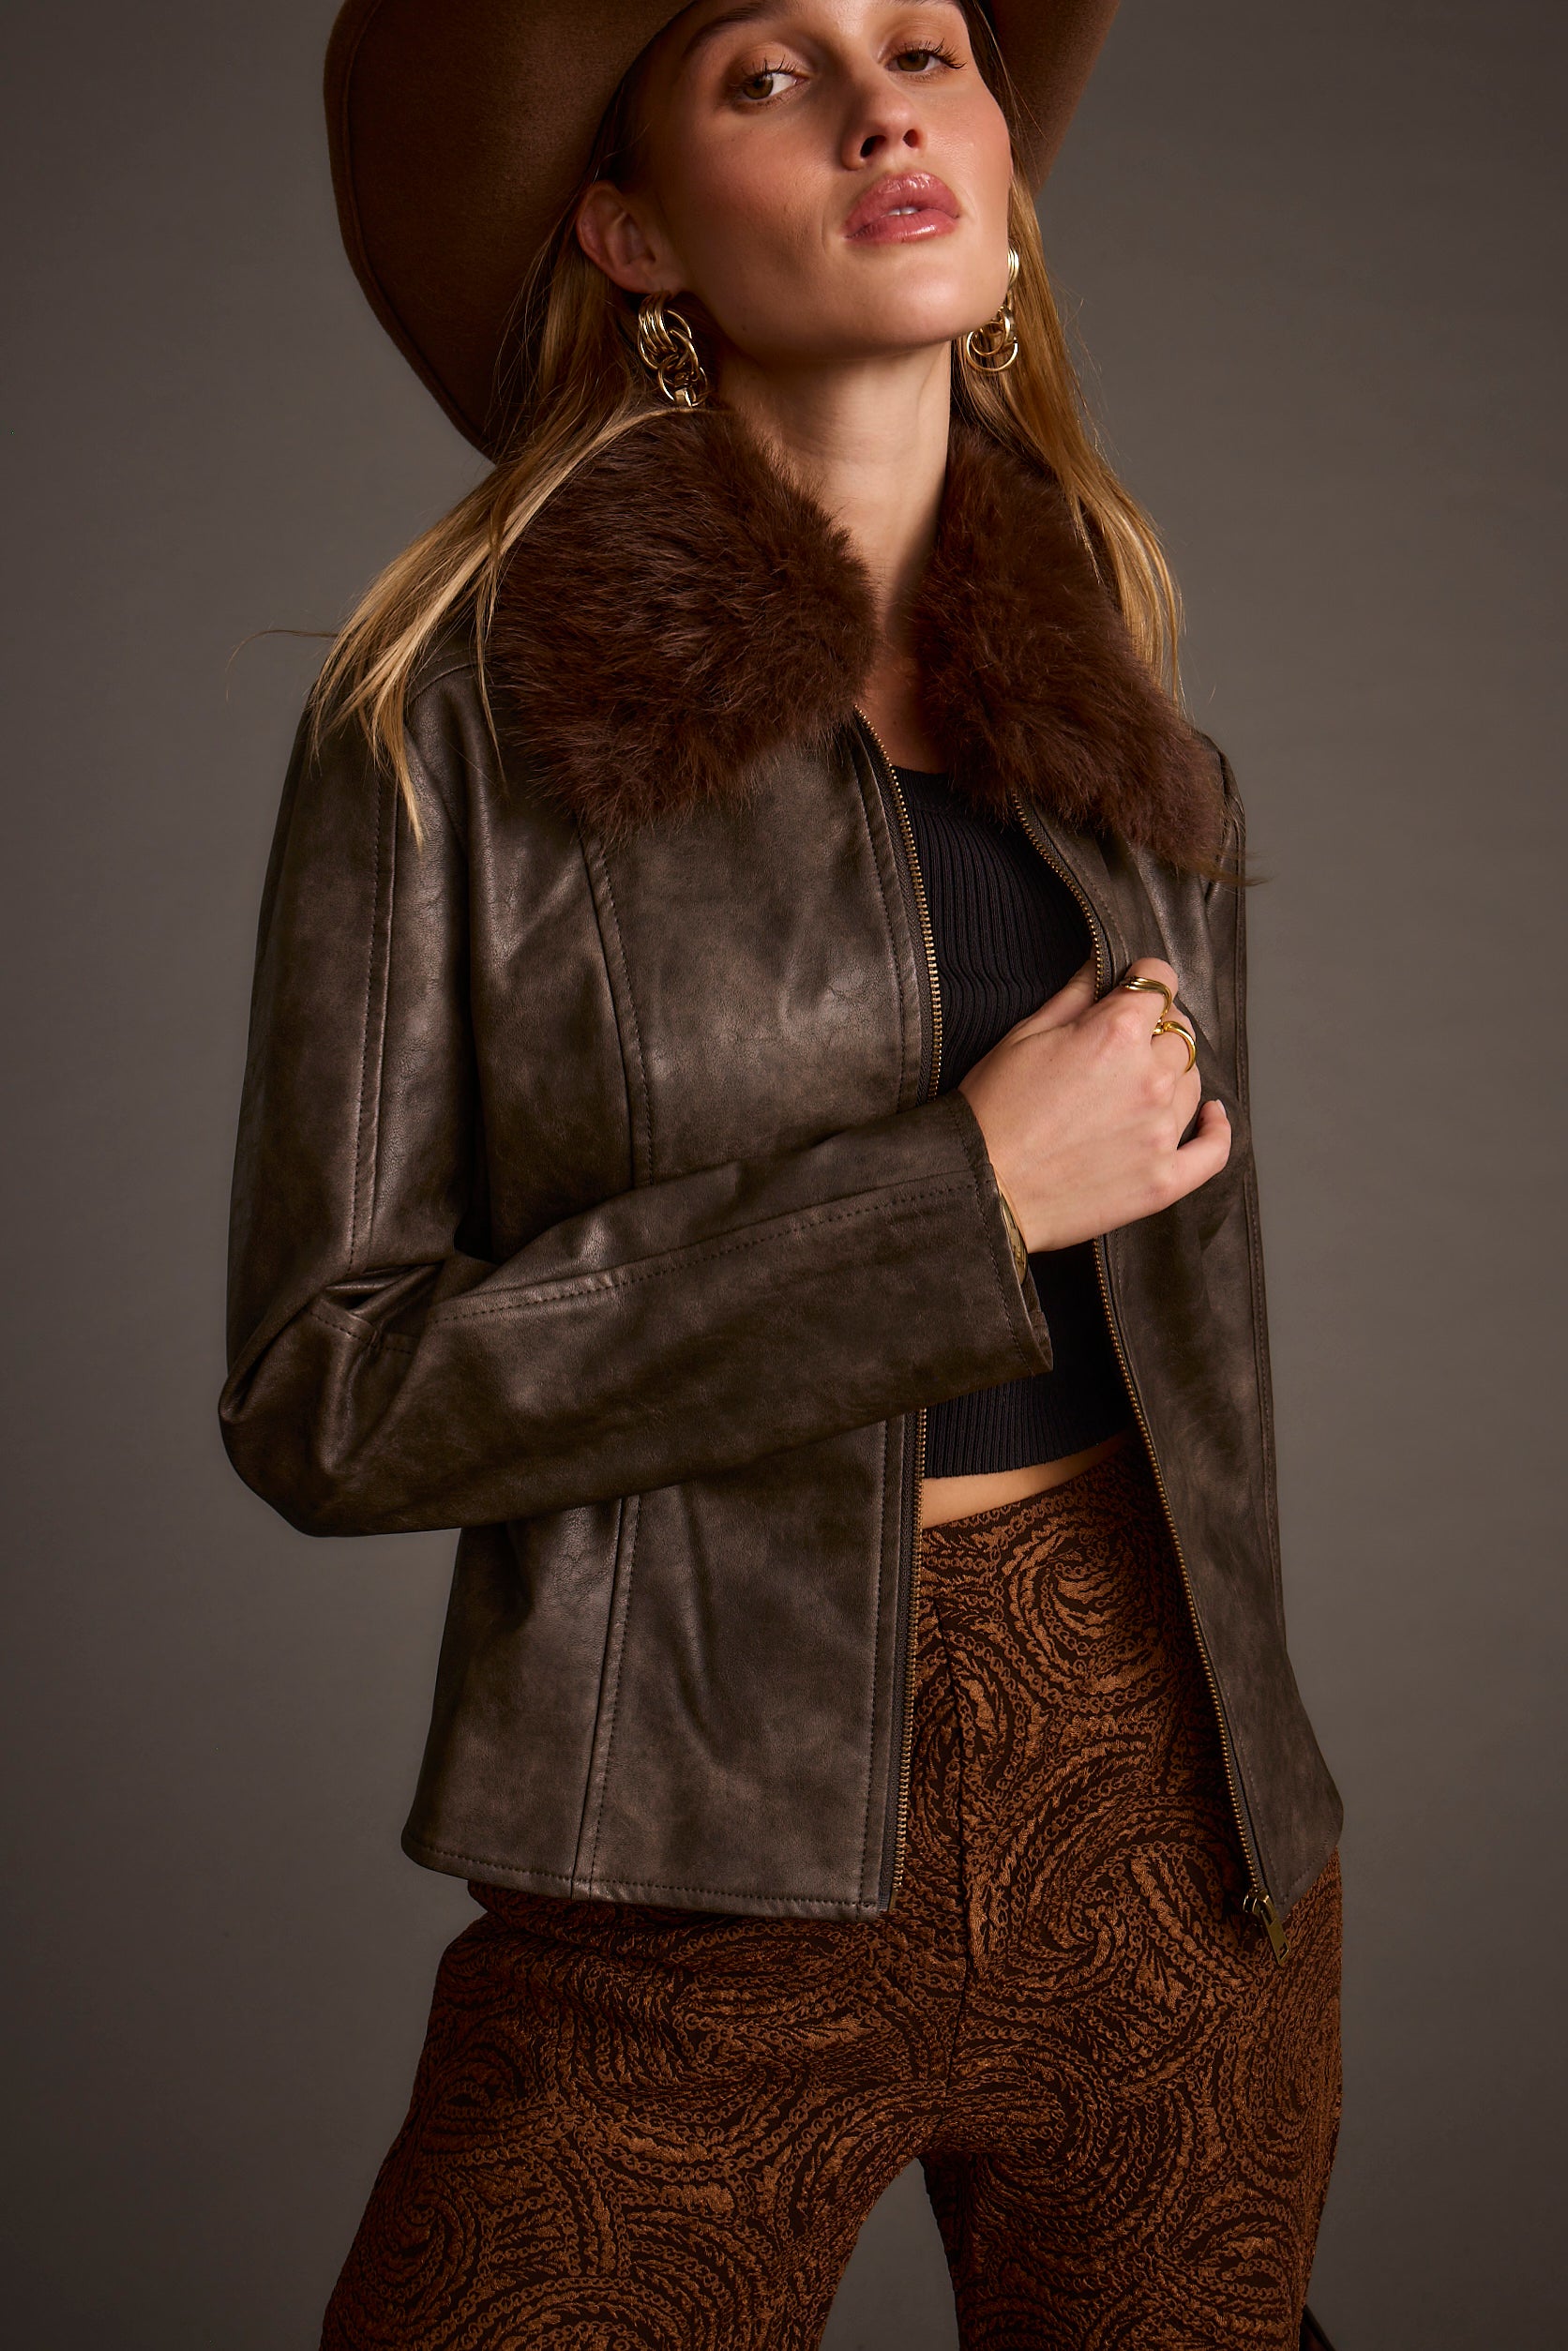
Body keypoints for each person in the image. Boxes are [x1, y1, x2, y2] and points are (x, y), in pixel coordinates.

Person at [220, 2, 1344, 2343]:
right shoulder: (453, 726)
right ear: (631, 234)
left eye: (923, 45)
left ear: (1000, 184)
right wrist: (956, 1205)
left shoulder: (1131, 737)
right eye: (767, 74)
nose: (883, 104)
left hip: (1172, 1848)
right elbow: (329, 1391)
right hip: (683, 1873)